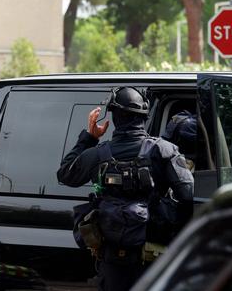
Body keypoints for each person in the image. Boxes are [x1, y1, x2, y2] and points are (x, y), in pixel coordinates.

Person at [57, 87, 194, 291]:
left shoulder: (96, 154)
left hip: (112, 262)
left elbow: (65, 174)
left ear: (114, 117)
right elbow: (188, 195)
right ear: (144, 115)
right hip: (154, 257)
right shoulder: (164, 150)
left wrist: (89, 137)